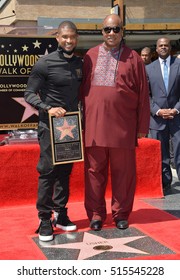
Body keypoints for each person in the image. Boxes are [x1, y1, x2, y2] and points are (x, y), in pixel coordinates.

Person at [80, 14, 150, 231]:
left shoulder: (134, 58)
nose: (112, 33)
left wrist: (141, 127)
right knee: (93, 173)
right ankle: (95, 214)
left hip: (123, 128)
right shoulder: (89, 56)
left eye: (116, 29)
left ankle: (121, 213)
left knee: (124, 173)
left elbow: (143, 94)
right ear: (102, 31)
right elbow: (79, 92)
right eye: (108, 29)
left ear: (123, 31)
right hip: (94, 127)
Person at [24, 21, 83, 241]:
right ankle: (44, 218)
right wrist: (48, 108)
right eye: (65, 36)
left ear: (76, 38)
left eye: (72, 37)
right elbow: (30, 93)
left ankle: (60, 212)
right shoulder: (44, 63)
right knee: (47, 171)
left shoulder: (80, 63)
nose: (69, 40)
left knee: (65, 172)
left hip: (71, 126)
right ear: (57, 37)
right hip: (49, 126)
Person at [146, 37, 180, 192]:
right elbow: (146, 95)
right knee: (162, 153)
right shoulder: (148, 69)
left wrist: (176, 109)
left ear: (170, 48)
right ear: (157, 48)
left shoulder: (179, 65)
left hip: (177, 116)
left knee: (179, 151)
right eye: (161, 46)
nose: (164, 48)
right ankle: (165, 182)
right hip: (157, 118)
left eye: (166, 45)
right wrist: (158, 110)